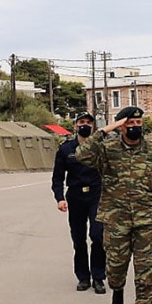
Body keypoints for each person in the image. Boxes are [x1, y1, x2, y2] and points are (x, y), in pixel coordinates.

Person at [76, 106, 152, 304]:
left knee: (145, 270)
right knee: (116, 266)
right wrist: (106, 130)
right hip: (116, 219)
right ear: (121, 126)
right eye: (129, 123)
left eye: (138, 123)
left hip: (147, 219)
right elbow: (81, 154)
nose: (134, 127)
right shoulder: (107, 149)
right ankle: (117, 290)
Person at [51, 112, 106, 294]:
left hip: (96, 195)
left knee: (98, 236)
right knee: (78, 239)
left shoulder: (100, 147)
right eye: (81, 122)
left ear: (93, 126)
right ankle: (83, 276)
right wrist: (60, 198)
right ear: (75, 126)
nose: (85, 125)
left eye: (88, 122)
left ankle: (98, 276)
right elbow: (58, 177)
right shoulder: (66, 149)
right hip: (75, 196)